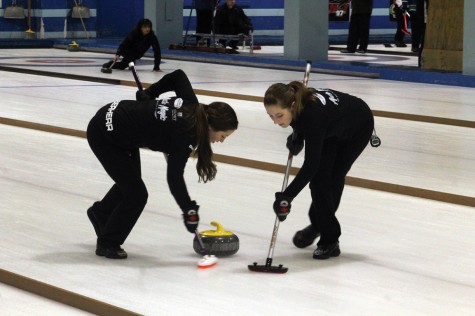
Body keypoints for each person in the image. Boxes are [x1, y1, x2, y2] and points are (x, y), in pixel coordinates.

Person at [86, 69, 238, 259]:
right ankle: (108, 243)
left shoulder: (193, 104)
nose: (221, 141)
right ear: (210, 126)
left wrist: (151, 93)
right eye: (222, 136)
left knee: (130, 182)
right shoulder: (185, 136)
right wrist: (188, 208)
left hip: (120, 120)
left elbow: (179, 76)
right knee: (136, 194)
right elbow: (174, 177)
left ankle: (101, 213)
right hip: (106, 134)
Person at [263, 82, 374, 260]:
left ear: (292, 105)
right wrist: (298, 135)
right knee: (320, 180)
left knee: (330, 180)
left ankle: (330, 240)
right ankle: (320, 224)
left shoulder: (311, 115)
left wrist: (287, 196)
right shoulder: (297, 104)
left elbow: (311, 164)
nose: (275, 121)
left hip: (357, 126)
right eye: (270, 116)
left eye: (279, 115)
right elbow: (301, 123)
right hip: (332, 126)